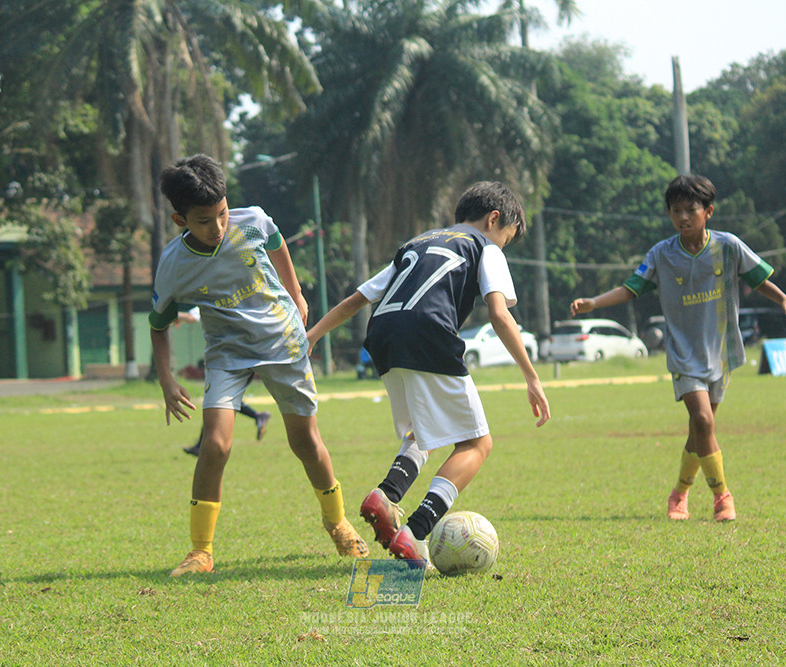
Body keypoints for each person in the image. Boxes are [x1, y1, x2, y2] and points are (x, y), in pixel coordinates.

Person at [307, 181, 550, 562]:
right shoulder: (484, 247)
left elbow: (359, 298)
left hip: (384, 337)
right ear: (495, 219)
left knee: (422, 431)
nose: (504, 245)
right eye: (507, 238)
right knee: (476, 444)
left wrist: (314, 335)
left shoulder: (419, 243)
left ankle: (385, 495)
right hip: (428, 333)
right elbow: (499, 314)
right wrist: (532, 377)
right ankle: (416, 532)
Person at [150, 154, 368, 577]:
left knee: (305, 443)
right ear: (179, 220)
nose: (217, 227)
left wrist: (297, 294)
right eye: (203, 221)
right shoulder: (174, 266)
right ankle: (201, 552)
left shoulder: (252, 220)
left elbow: (276, 242)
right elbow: (159, 325)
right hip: (228, 353)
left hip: (283, 341)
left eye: (221, 214)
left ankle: (338, 522)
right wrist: (166, 378)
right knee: (215, 445)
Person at [569, 174, 786, 522]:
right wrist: (594, 303)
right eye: (675, 210)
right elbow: (631, 288)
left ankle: (678, 495)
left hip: (722, 350)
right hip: (684, 354)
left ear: (708, 211)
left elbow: (757, 278)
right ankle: (723, 498)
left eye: (690, 209)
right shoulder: (661, 254)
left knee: (699, 431)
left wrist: (784, 299)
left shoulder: (729, 246)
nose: (683, 217)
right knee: (703, 420)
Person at [173, 307, 271, 455]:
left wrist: (173, 314)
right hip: (238, 357)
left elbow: (192, 316)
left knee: (217, 401)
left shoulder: (213, 295)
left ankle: (205, 446)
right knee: (220, 401)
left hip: (225, 360)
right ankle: (257, 416)